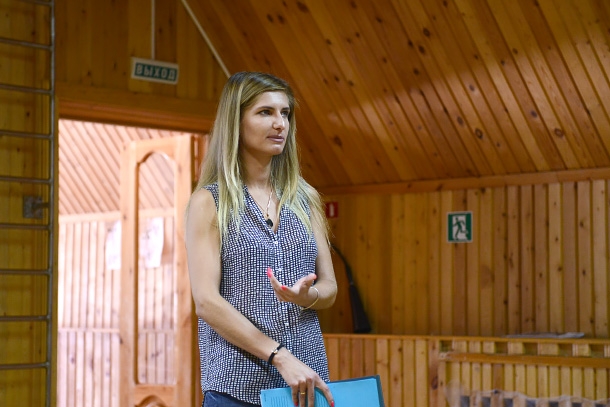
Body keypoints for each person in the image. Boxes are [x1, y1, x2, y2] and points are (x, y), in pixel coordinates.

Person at [186, 71, 337, 407]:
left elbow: (330, 287)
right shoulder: (209, 202)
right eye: (265, 112)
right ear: (236, 122)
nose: (280, 124)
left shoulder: (306, 199)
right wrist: (279, 356)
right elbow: (206, 302)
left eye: (285, 113)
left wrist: (308, 296)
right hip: (236, 386)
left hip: (305, 384)